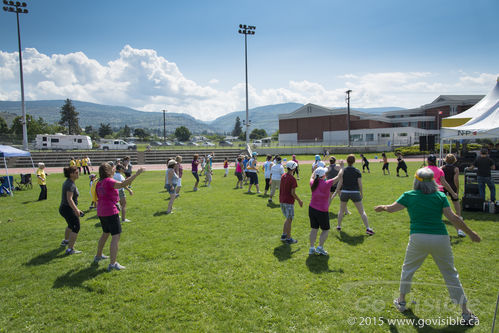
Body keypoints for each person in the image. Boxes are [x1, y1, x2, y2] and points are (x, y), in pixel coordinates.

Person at [374, 168, 481, 326]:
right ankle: (466, 312)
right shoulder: (440, 196)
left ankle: (401, 301)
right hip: (441, 238)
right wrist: (470, 233)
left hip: (418, 238)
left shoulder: (409, 195)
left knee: (408, 269)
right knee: (451, 274)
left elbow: (391, 208)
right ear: (433, 181)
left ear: (416, 180)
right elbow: (453, 218)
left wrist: (382, 207)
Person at [95, 163, 145, 271]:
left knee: (105, 233)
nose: (113, 169)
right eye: (111, 168)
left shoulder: (99, 183)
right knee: (116, 236)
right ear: (108, 171)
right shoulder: (109, 181)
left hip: (101, 211)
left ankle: (98, 255)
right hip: (110, 211)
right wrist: (137, 174)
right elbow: (123, 184)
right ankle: (113, 264)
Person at [335, 154, 374, 235]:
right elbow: (360, 184)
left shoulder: (343, 170)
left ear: (347, 161)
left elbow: (340, 182)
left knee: (341, 210)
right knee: (362, 211)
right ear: (354, 161)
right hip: (355, 192)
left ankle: (338, 226)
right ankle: (368, 228)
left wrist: (337, 190)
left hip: (344, 192)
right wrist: (361, 193)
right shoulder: (357, 171)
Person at [308, 166, 342, 255]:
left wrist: (314, 171)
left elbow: (311, 177)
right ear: (323, 175)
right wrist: (342, 167)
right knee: (325, 230)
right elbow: (338, 177)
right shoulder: (327, 183)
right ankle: (320, 247)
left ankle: (312, 248)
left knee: (314, 229)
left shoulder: (312, 183)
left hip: (312, 209)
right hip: (322, 211)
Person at [59, 166, 83, 255]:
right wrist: (76, 210)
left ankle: (66, 241)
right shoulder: (70, 184)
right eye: (76, 173)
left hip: (64, 208)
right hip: (68, 209)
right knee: (76, 227)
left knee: (70, 225)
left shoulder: (69, 182)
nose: (78, 174)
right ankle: (70, 249)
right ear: (71, 174)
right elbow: (70, 199)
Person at [441, 154, 465, 237]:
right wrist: (457, 189)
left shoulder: (442, 168)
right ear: (454, 160)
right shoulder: (455, 169)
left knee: (442, 203)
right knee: (456, 202)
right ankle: (458, 215)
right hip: (452, 186)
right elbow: (456, 180)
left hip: (443, 187)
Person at [279, 161, 303, 243]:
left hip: (282, 200)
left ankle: (284, 235)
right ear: (294, 168)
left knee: (288, 218)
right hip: (288, 201)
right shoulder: (292, 179)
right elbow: (292, 193)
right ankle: (289, 238)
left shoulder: (283, 176)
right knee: (289, 219)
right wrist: (299, 200)